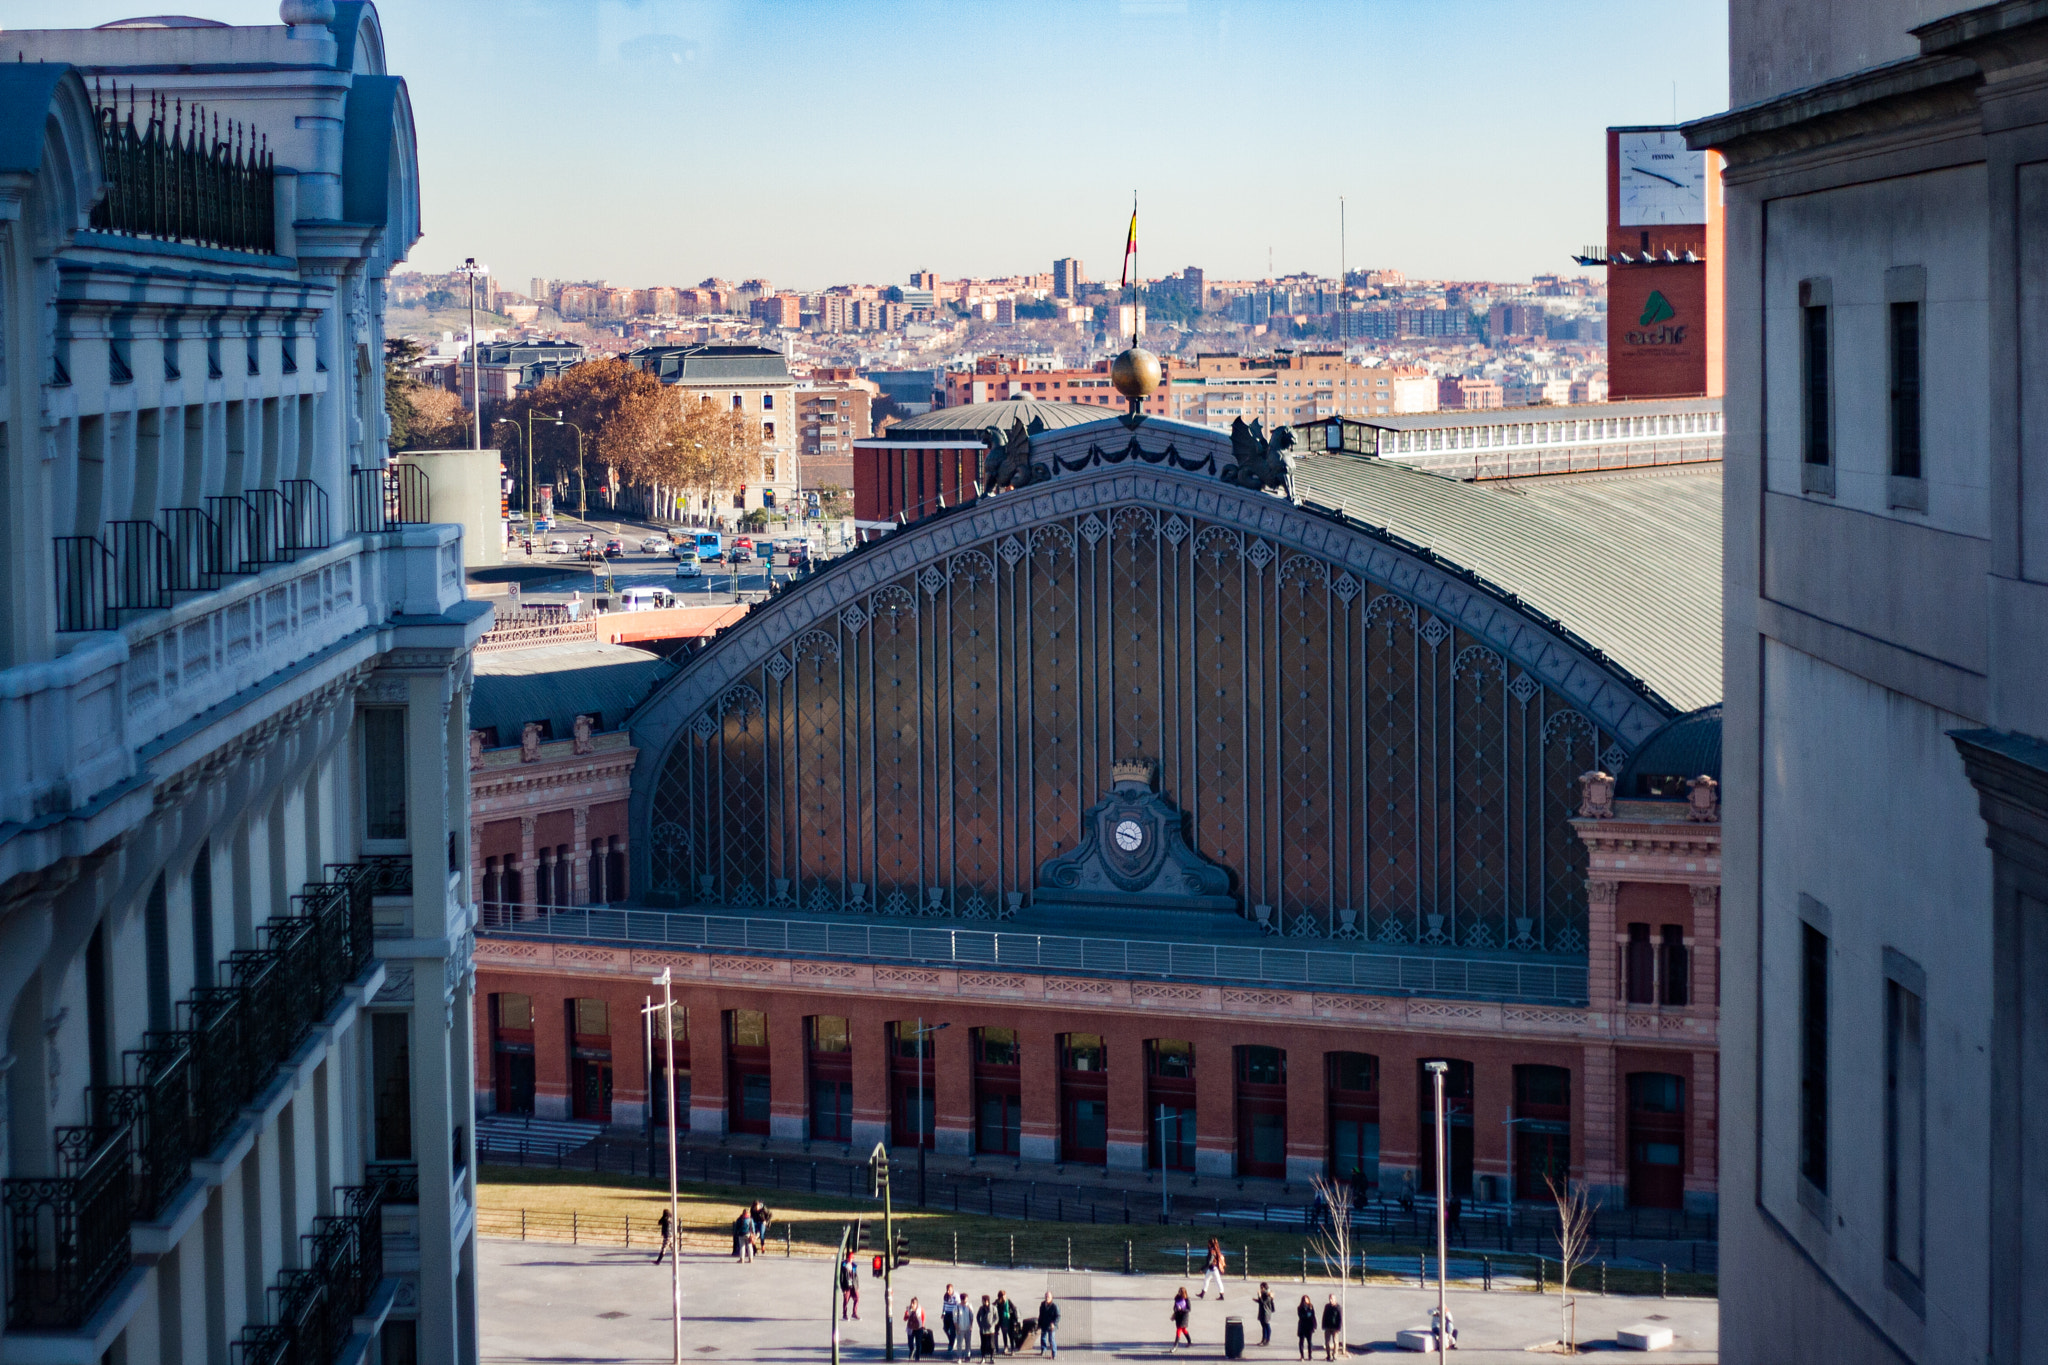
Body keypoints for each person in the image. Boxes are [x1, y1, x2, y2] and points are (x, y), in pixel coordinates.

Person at [1320, 1295, 1343, 1361]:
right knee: (1327, 1342)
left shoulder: (1338, 1307)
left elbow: (1340, 1318)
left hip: (1335, 1328)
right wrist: (1323, 1325)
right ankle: (1328, 1355)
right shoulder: (1327, 1306)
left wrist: (1338, 1328)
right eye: (1330, 1299)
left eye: (1332, 1299)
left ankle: (1335, 1355)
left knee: (1335, 1342)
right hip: (1327, 1327)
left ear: (1335, 1299)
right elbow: (1324, 1315)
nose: (1331, 1300)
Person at [839, 1249, 860, 1320]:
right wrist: (843, 1288)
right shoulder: (843, 1266)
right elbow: (841, 1278)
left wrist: (857, 1286)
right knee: (846, 1301)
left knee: (857, 1298)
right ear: (848, 1258)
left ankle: (854, 1313)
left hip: (854, 1286)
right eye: (851, 1258)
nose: (852, 1259)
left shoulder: (854, 1266)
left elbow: (856, 1277)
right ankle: (844, 1314)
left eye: (853, 1258)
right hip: (847, 1287)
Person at [1037, 1292, 1060, 1358]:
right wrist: (1039, 1324)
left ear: (1051, 1298)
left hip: (1051, 1325)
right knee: (1043, 1338)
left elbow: (1058, 1316)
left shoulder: (1054, 1306)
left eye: (1048, 1297)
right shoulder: (1042, 1304)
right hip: (1044, 1324)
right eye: (1046, 1297)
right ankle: (1043, 1349)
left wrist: (1054, 1323)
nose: (1047, 1298)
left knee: (1051, 1339)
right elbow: (1040, 1315)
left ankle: (1054, 1353)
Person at [1295, 1295, 1317, 1360]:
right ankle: (1302, 1356)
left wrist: (1314, 1325)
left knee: (1309, 1342)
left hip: (1309, 1326)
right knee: (1301, 1341)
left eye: (1307, 1299)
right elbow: (1301, 1316)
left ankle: (1310, 1356)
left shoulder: (1311, 1306)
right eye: (1304, 1300)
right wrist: (1307, 1313)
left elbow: (1313, 1316)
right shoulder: (1299, 1308)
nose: (1305, 1301)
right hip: (1302, 1326)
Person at [1255, 1283, 1277, 1348]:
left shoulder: (1268, 1295)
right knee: (1263, 1326)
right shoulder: (1264, 1294)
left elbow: (1263, 1303)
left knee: (1266, 1325)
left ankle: (1267, 1340)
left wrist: (1259, 1296)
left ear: (1265, 1288)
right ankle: (1263, 1340)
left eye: (1262, 1288)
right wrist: (1257, 1299)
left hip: (1266, 1312)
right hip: (1262, 1311)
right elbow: (1261, 1301)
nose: (1261, 1289)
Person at [942, 1287, 961, 1359]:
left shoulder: (956, 1296)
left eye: (949, 1290)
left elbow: (958, 1305)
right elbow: (944, 1304)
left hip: (953, 1314)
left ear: (952, 1289)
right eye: (947, 1290)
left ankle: (951, 1345)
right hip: (947, 1314)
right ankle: (952, 1339)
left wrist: (957, 1315)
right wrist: (943, 1313)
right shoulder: (946, 1296)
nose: (947, 1291)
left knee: (952, 1330)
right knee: (945, 1328)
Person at [977, 1295, 996, 1362]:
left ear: (987, 1301)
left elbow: (996, 1318)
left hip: (991, 1330)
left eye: (983, 1300)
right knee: (983, 1344)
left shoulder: (993, 1308)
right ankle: (983, 1358)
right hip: (983, 1330)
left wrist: (993, 1324)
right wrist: (980, 1325)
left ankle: (992, 1357)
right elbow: (978, 1317)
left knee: (991, 1344)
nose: (982, 1302)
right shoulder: (981, 1308)